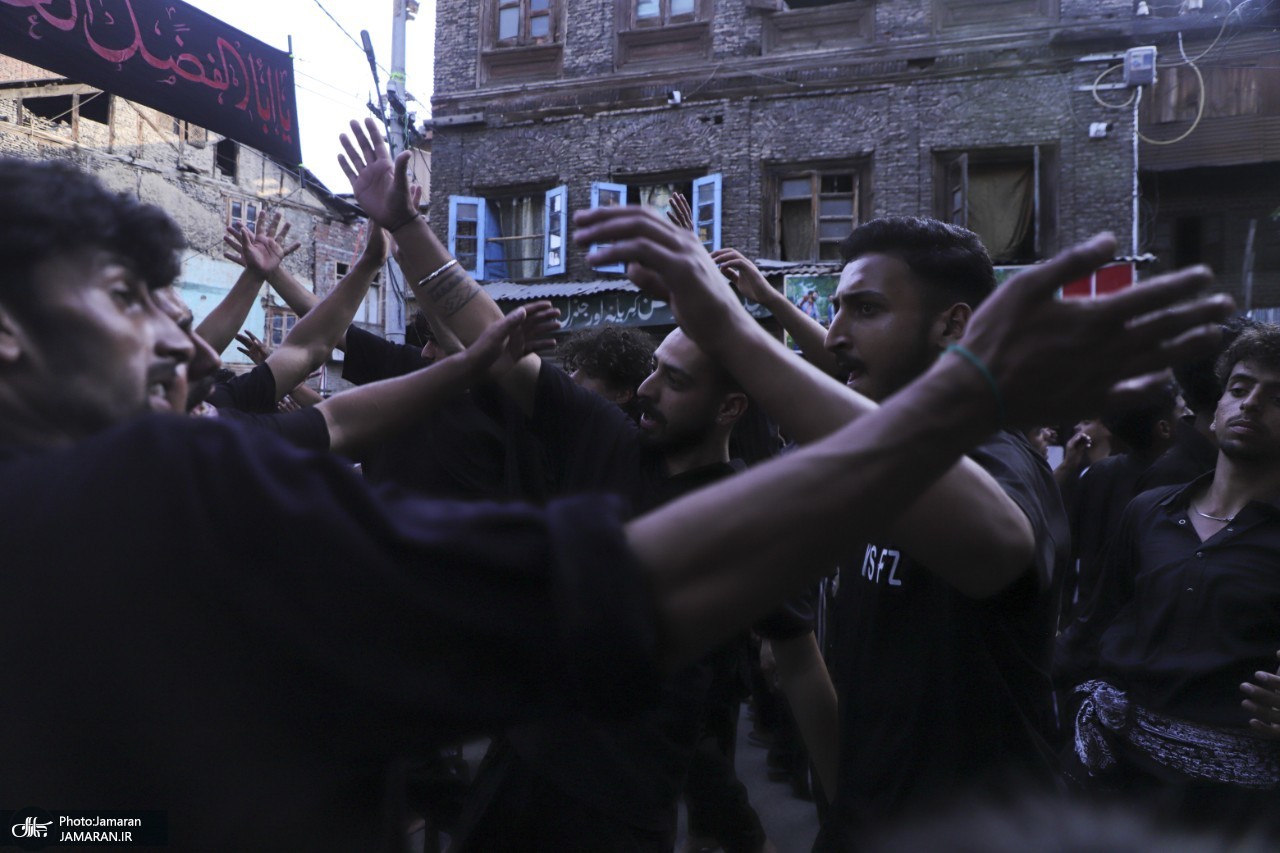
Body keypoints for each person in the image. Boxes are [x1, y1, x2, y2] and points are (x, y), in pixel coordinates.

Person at [0, 127, 1226, 853]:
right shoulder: (158, 487)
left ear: (735, 410)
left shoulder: (877, 466)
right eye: (127, 294)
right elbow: (596, 585)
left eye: (681, 376)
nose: (177, 337)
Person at [1061, 324, 1280, 837]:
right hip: (1119, 790)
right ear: (1216, 406)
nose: (1251, 404)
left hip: (1234, 814)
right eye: (1240, 387)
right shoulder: (1148, 512)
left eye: (1278, 397)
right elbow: (1091, 633)